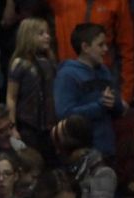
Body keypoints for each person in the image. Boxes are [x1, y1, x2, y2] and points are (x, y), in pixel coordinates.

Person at [53, 23, 125, 159]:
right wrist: (99, 106)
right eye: (100, 45)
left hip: (107, 148)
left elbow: (118, 109)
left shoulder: (104, 71)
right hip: (83, 153)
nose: (105, 49)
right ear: (85, 47)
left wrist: (114, 103)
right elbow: (65, 114)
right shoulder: (67, 74)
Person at [47, 0, 134, 106]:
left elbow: (127, 49)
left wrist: (126, 96)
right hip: (68, 81)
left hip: (101, 83)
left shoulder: (117, 2)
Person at [5, 17, 57, 159]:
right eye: (41, 33)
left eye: (47, 33)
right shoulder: (20, 63)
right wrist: (12, 127)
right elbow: (11, 97)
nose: (47, 36)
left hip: (49, 126)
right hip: (28, 125)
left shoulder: (50, 62)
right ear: (28, 36)